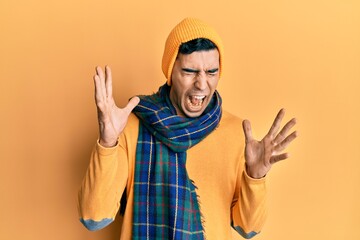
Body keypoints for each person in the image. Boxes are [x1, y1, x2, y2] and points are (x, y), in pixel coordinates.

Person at [78, 17, 297, 240]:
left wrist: (255, 176)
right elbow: (94, 218)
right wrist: (107, 143)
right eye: (190, 71)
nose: (202, 84)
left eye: (211, 72)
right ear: (170, 72)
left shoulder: (236, 133)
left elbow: (248, 228)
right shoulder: (132, 125)